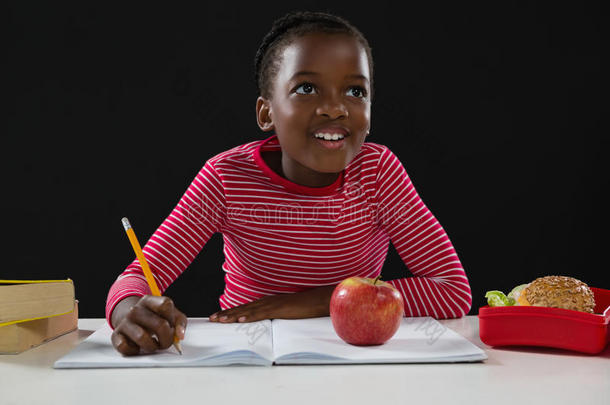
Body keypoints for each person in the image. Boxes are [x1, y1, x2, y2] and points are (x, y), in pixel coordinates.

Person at [108, 10, 473, 356]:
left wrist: (301, 303)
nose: (335, 108)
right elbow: (139, 276)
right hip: (248, 351)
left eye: (355, 92)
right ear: (266, 113)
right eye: (307, 89)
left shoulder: (378, 173)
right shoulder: (226, 178)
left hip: (351, 357)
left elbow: (452, 291)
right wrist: (128, 312)